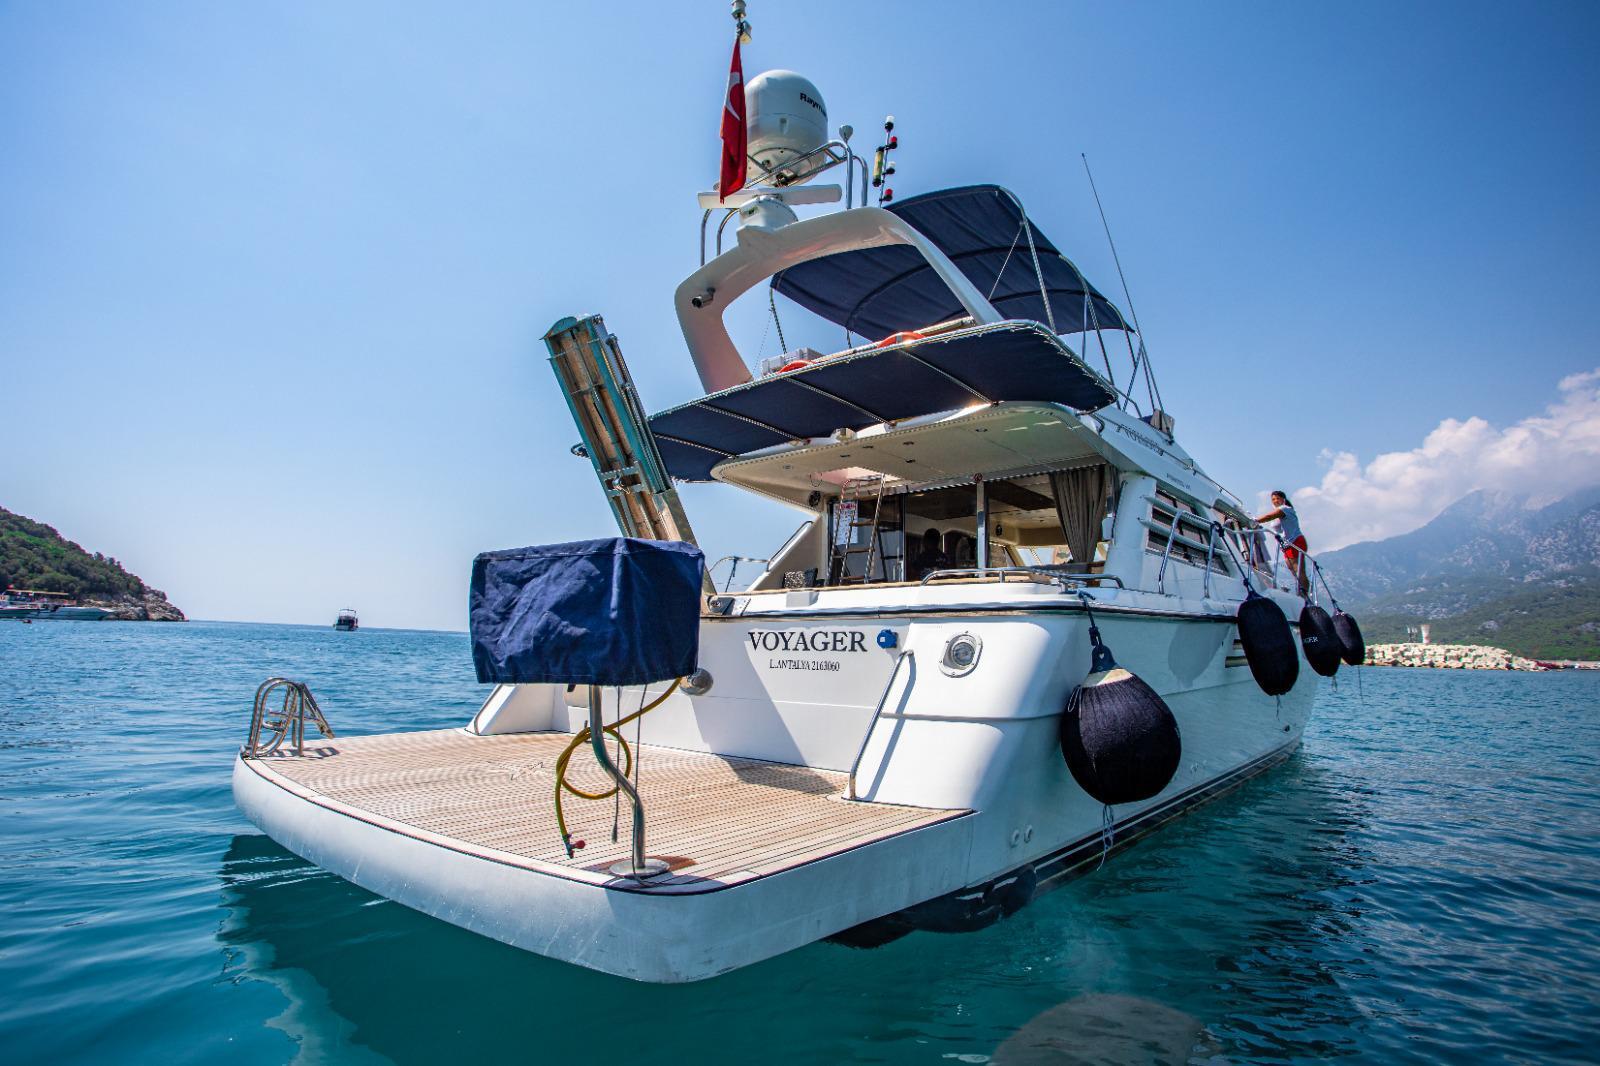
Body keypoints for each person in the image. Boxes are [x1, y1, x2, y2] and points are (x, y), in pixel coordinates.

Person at [1255, 490, 1309, 595]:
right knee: (1292, 569)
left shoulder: (1285, 509)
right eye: (1273, 499)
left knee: (1298, 569)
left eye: (1277, 498)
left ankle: (1305, 594)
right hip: (1286, 545)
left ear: (1283, 499)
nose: (1275, 501)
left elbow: (1268, 517)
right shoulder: (1279, 511)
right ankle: (1302, 592)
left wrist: (1254, 520)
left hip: (1295, 541)